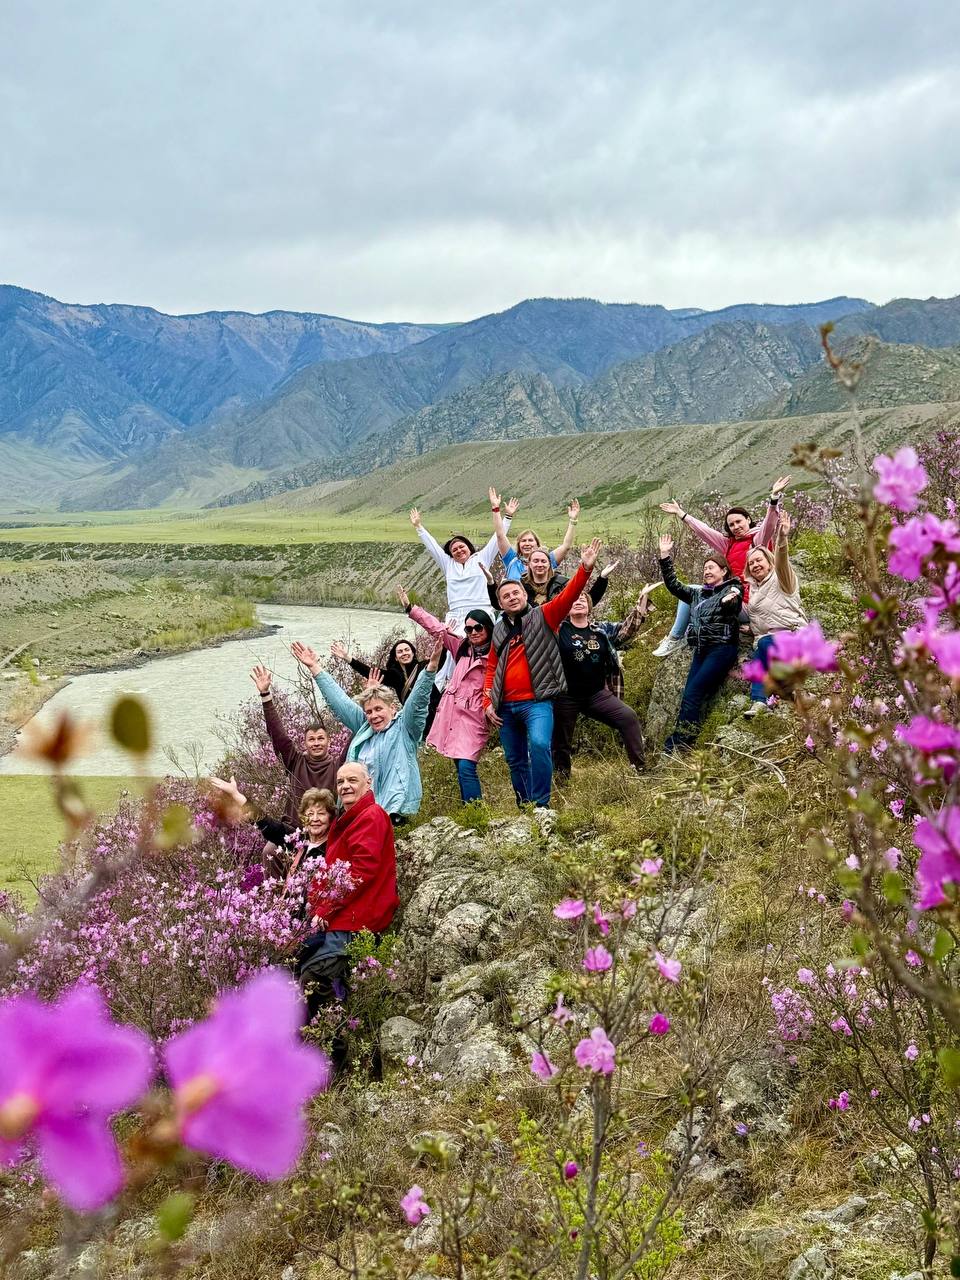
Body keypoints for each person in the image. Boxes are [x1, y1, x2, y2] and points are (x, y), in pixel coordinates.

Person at [483, 538, 601, 807]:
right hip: (505, 706)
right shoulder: (499, 630)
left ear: (525, 596)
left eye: (516, 594)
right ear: (500, 603)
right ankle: (524, 805)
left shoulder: (544, 615)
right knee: (514, 758)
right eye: (506, 596)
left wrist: (585, 569)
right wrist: (487, 701)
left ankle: (541, 804)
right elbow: (491, 668)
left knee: (538, 745)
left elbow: (569, 595)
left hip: (537, 701)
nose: (512, 597)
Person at [296, 763, 399, 1070]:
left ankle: (337, 1060)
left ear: (369, 783)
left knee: (313, 977)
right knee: (330, 987)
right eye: (340, 781)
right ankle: (340, 1061)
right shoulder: (351, 819)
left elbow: (361, 871)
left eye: (352, 780)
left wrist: (325, 908)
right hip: (345, 920)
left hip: (356, 922)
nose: (345, 786)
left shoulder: (370, 816)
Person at [291, 637, 441, 821]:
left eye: (378, 709)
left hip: (394, 813)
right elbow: (340, 702)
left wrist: (430, 669)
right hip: (361, 813)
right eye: (369, 711)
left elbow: (417, 703)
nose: (373, 716)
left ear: (392, 708)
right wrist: (315, 668)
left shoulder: (405, 728)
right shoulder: (365, 727)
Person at [653, 476, 791, 656]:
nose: (735, 527)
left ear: (748, 520)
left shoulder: (757, 540)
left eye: (739, 522)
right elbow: (705, 532)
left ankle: (684, 635)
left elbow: (769, 526)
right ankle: (675, 638)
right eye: (731, 524)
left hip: (751, 604)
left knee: (701, 596)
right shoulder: (729, 544)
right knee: (691, 591)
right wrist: (682, 514)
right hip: (731, 599)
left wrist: (773, 499)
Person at [399, 585, 493, 803]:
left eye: (478, 627)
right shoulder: (462, 648)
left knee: (467, 765)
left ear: (488, 627)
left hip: (475, 715)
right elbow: (436, 629)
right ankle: (468, 806)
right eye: (468, 629)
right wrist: (411, 608)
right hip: (452, 712)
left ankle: (475, 811)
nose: (473, 633)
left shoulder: (497, 654)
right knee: (458, 763)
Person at [248, 663, 347, 860]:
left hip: (324, 832)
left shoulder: (339, 767)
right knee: (270, 852)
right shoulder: (295, 762)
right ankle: (281, 892)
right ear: (305, 742)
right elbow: (278, 736)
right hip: (292, 832)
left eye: (321, 738)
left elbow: (357, 732)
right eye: (311, 739)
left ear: (329, 741)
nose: (316, 743)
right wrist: (266, 696)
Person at [551, 588, 652, 780]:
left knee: (628, 718)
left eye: (583, 598)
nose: (578, 601)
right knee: (561, 741)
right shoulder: (558, 629)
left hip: (596, 694)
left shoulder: (601, 630)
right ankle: (561, 780)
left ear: (590, 606)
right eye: (574, 599)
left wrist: (641, 605)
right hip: (565, 696)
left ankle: (639, 769)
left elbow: (626, 630)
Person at [658, 532, 745, 754]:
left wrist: (730, 599)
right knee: (689, 694)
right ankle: (681, 740)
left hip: (721, 648)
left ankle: (681, 743)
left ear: (723, 571)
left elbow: (733, 603)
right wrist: (665, 556)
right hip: (701, 649)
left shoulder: (732, 588)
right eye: (705, 568)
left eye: (712, 567)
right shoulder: (698, 594)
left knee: (693, 693)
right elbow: (674, 586)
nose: (707, 571)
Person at [742, 511, 807, 716]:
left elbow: (782, 562)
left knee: (763, 646)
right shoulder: (754, 589)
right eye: (751, 563)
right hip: (768, 642)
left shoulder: (782, 580)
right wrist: (750, 628)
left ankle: (760, 701)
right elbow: (763, 616)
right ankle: (787, 692)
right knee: (762, 647)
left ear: (769, 562)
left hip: (793, 636)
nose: (755, 565)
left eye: (759, 560)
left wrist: (782, 539)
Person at [491, 488, 581, 581]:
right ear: (518, 545)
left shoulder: (546, 561)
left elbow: (566, 546)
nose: (527, 543)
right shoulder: (511, 559)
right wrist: (498, 510)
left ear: (537, 544)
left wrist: (573, 520)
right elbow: (500, 535)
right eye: (523, 541)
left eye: (530, 540)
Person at [331, 638, 424, 704]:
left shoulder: (425, 667)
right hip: (415, 719)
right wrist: (347, 658)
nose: (404, 653)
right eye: (400, 652)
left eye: (407, 650)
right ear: (395, 658)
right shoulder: (394, 676)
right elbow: (369, 672)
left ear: (412, 652)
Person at [522, 548, 614, 608]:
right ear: (529, 564)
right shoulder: (520, 586)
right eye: (535, 561)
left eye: (543, 561)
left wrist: (602, 578)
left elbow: (588, 602)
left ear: (549, 564)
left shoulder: (562, 584)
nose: (540, 564)